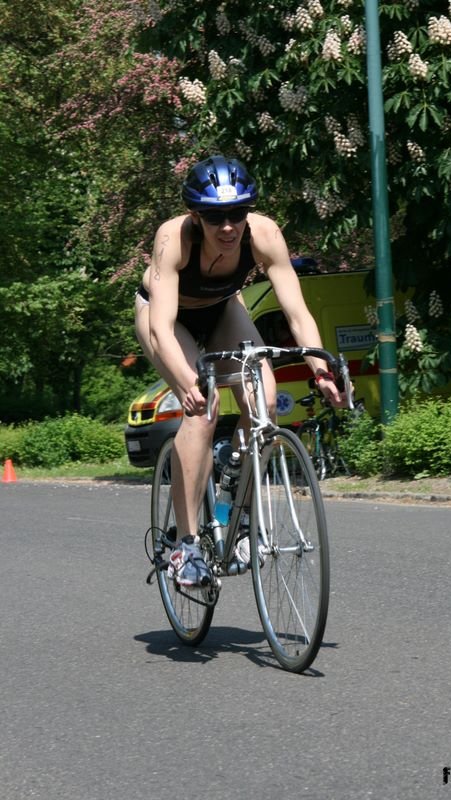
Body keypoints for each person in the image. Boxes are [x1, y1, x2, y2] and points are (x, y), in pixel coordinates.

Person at [135, 154, 347, 586]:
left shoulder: (265, 234)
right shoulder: (174, 238)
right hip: (165, 317)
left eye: (237, 213)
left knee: (265, 399)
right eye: (215, 216)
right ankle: (187, 545)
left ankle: (237, 500)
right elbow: (160, 328)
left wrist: (320, 366)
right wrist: (185, 383)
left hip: (223, 310)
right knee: (203, 408)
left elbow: (297, 312)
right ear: (197, 215)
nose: (227, 226)